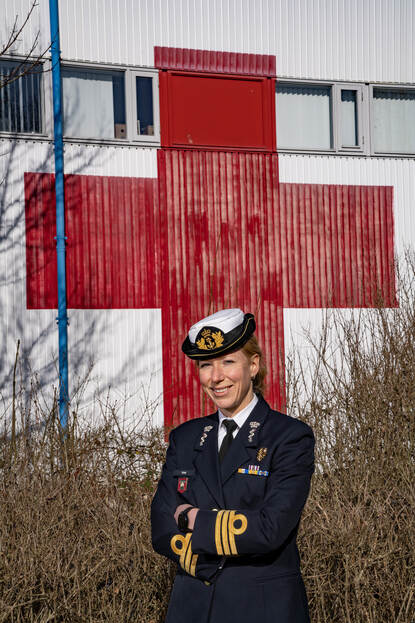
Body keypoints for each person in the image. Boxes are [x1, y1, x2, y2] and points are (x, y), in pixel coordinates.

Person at [151, 308, 314, 623]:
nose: (216, 377)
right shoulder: (185, 438)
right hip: (193, 608)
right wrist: (210, 542)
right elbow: (160, 525)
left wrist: (192, 517)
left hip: (261, 609)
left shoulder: (289, 437)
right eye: (205, 365)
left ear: (253, 365)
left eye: (227, 362)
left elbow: (270, 528)